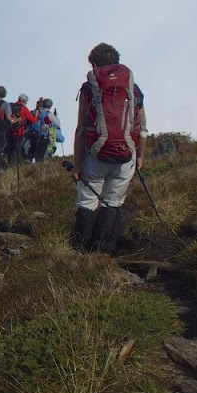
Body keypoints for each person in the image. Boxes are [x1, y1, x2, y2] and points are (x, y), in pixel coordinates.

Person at [72, 43, 147, 253]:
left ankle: (81, 249)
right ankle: (105, 248)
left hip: (95, 154)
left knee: (87, 201)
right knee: (113, 201)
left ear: (94, 64)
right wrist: (139, 156)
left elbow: (80, 130)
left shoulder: (89, 88)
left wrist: (77, 166)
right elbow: (142, 128)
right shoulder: (133, 88)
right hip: (126, 154)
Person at [9, 93, 37, 164]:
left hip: (9, 131)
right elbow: (33, 120)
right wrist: (36, 114)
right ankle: (13, 165)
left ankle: (8, 162)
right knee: (17, 150)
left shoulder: (10, 106)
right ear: (25, 101)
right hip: (19, 131)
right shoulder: (24, 109)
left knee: (9, 149)